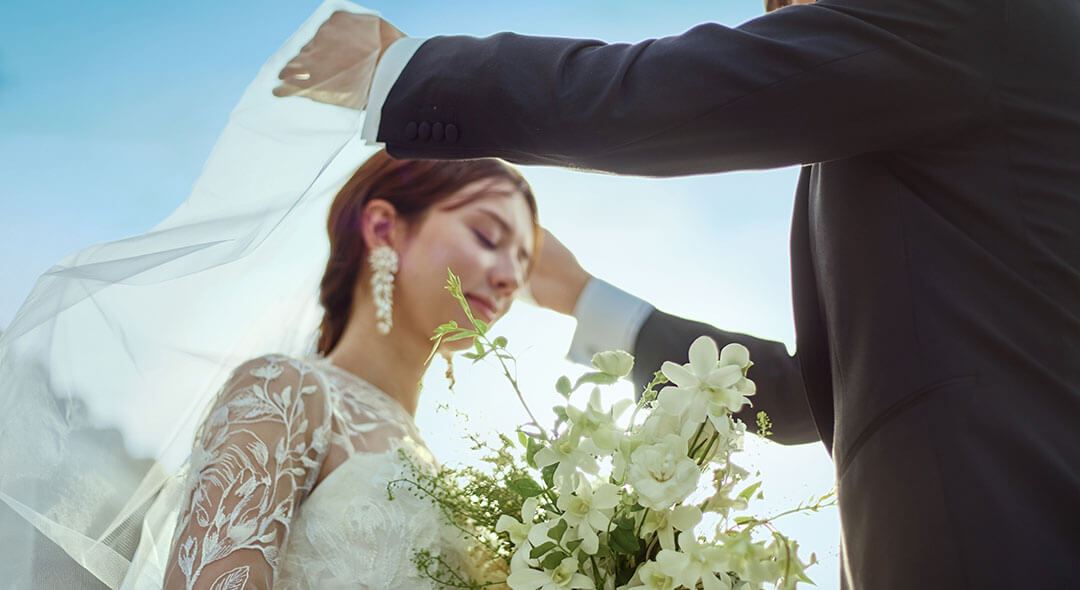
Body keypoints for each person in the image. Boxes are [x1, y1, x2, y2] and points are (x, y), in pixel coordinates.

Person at [275, 0, 1080, 587]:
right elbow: (809, 400)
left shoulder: (963, 16)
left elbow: (658, 92)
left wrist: (403, 70)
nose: (792, 31)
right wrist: (584, 296)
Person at [149, 150, 538, 589]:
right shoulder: (285, 392)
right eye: (487, 236)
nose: (510, 279)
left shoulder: (447, 479)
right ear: (383, 227)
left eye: (525, 263)